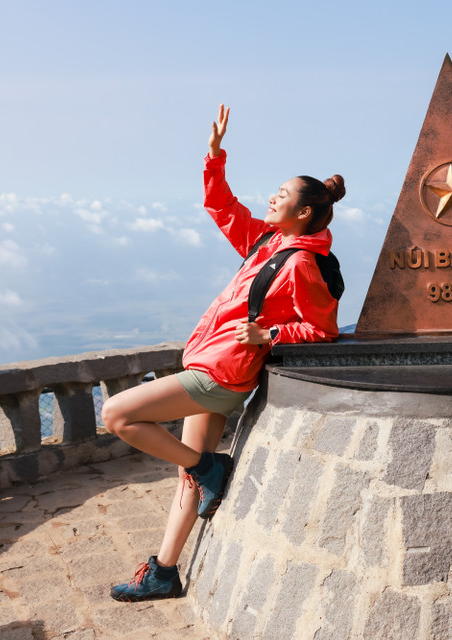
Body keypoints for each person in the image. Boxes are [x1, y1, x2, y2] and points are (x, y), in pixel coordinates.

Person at [103, 104, 343, 602]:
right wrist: (214, 158)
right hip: (214, 367)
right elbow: (223, 208)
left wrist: (271, 337)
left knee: (118, 414)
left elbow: (322, 329)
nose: (271, 198)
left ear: (303, 213)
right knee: (186, 476)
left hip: (221, 376)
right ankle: (165, 572)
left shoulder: (301, 262)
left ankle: (208, 468)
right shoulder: (268, 242)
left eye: (281, 195)